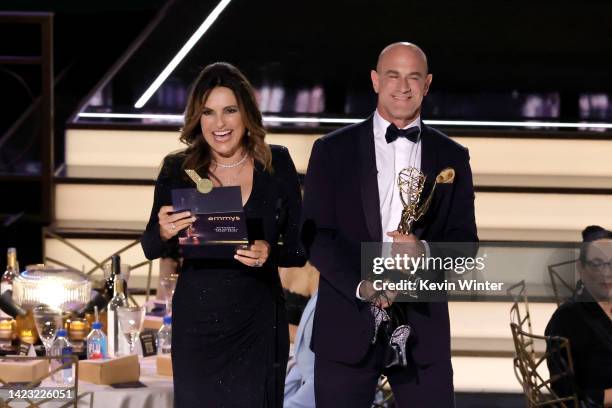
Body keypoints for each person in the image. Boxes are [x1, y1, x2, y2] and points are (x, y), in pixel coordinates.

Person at [301, 42, 478, 407]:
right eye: (392, 75)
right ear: (374, 80)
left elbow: (466, 246)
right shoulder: (332, 150)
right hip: (347, 323)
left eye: (413, 77)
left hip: (422, 328)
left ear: (427, 84)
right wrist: (362, 286)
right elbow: (316, 236)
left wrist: (424, 252)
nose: (403, 86)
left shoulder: (453, 157)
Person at [141, 62, 305, 407]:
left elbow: (298, 247)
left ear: (245, 113)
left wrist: (268, 252)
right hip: (197, 323)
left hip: (258, 320)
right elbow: (150, 247)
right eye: (208, 112)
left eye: (229, 110)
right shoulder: (178, 168)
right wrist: (164, 230)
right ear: (197, 119)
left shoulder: (276, 164)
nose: (220, 123)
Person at [545, 225, 612, 407]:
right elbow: (566, 397)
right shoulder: (565, 319)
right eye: (597, 264)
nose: (607, 273)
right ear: (581, 269)